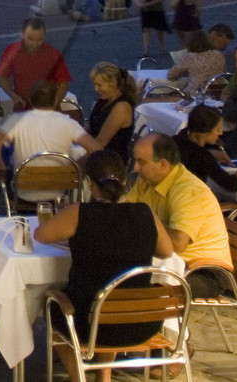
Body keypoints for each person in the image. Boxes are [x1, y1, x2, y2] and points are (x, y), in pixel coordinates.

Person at [36, 150, 176, 382]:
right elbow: (167, 251)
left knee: (54, 306)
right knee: (114, 296)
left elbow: (41, 234)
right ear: (124, 182)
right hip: (142, 322)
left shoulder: (79, 213)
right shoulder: (144, 213)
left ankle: (79, 378)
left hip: (88, 324)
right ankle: (104, 377)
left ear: (90, 184)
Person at [123, 133, 232, 294]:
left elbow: (178, 243)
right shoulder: (147, 179)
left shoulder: (188, 191)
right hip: (169, 262)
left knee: (139, 287)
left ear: (163, 165)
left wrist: (144, 224)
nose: (135, 168)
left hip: (204, 271)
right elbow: (123, 211)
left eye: (141, 162)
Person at [0, 80, 99, 188]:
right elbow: (96, 150)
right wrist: (76, 166)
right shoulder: (67, 123)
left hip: (23, 190)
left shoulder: (17, 120)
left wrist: (0, 168)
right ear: (55, 100)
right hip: (60, 188)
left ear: (30, 100)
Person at [0, 17, 72, 111]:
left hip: (47, 112)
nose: (35, 44)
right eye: (30, 39)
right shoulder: (12, 51)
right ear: (22, 35)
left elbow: (64, 83)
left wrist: (54, 104)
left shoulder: (53, 54)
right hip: (23, 110)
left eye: (39, 40)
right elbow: (2, 77)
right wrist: (13, 96)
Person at [174, 105, 237, 197]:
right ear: (205, 132)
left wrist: (211, 153)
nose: (221, 133)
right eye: (217, 130)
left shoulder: (176, 140)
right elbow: (231, 185)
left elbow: (188, 151)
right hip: (190, 199)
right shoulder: (202, 155)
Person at [85, 62, 137, 160]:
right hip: (96, 152)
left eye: (99, 85)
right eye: (94, 84)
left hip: (109, 160)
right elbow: (90, 128)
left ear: (113, 83)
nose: (95, 89)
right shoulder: (103, 101)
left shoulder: (121, 107)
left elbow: (101, 142)